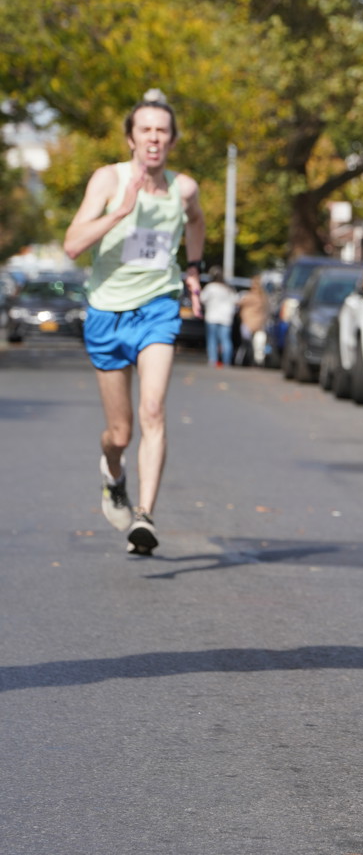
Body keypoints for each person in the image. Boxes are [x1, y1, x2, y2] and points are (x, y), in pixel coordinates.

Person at [64, 90, 205, 555]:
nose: (153, 138)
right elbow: (72, 244)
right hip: (107, 312)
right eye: (145, 130)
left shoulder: (184, 189)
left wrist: (193, 268)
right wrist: (121, 210)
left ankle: (144, 515)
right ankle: (113, 473)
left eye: (162, 131)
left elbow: (196, 222)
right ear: (131, 138)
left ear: (172, 140)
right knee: (120, 433)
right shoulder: (108, 180)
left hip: (158, 307)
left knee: (153, 410)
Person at [201, 266, 238, 367]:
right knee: (226, 340)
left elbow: (202, 299)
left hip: (212, 317)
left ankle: (213, 360)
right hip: (226, 318)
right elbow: (235, 301)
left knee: (212, 339)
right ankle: (227, 361)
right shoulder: (228, 288)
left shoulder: (210, 287)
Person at [238, 275, 270, 366]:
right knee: (258, 347)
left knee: (246, 345)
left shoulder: (249, 296)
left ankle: (245, 361)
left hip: (248, 324)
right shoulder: (264, 298)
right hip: (259, 324)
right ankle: (257, 362)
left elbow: (239, 304)